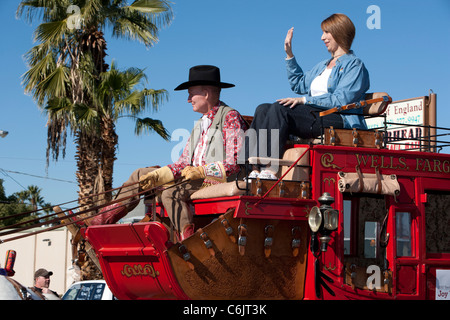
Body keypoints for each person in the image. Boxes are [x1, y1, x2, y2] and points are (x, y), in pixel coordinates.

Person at [90, 65, 248, 241]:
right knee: (140, 175)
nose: (188, 99)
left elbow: (235, 162)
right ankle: (98, 224)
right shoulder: (200, 125)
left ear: (205, 93)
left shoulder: (230, 117)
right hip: (192, 178)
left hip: (213, 180)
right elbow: (183, 164)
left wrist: (202, 171)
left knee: (169, 193)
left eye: (191, 93)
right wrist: (160, 174)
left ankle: (189, 241)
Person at [245, 13, 370, 178]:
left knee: (279, 108)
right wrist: (289, 55)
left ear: (339, 32)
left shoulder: (355, 65)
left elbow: (341, 99)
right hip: (314, 114)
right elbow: (298, 84)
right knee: (262, 108)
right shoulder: (322, 66)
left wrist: (305, 99)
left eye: (326, 32)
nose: (322, 37)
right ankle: (251, 168)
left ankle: (269, 167)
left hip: (338, 118)